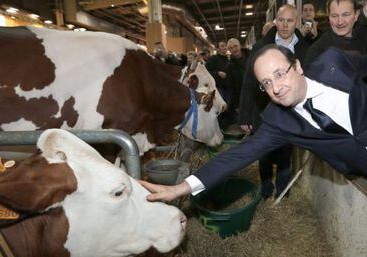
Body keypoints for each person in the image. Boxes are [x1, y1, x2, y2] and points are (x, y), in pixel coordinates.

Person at [140, 44, 367, 202]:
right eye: (266, 83)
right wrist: (181, 188)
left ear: (297, 67)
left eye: (279, 74)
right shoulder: (279, 121)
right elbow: (235, 157)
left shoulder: (334, 61)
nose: (276, 88)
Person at [238, 4, 308, 198]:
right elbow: (249, 82)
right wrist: (245, 115)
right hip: (264, 108)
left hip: (292, 112)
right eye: (281, 20)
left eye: (290, 21)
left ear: (297, 22)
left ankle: (282, 192)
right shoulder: (261, 47)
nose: (285, 25)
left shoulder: (304, 48)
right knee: (264, 153)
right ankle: (266, 189)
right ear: (275, 21)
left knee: (286, 153)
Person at [304, 0, 367, 67]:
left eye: (346, 15)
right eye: (334, 16)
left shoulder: (363, 36)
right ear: (329, 16)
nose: (340, 22)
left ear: (356, 15)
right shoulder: (317, 50)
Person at [225, 38, 250, 125]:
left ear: (240, 45)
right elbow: (231, 88)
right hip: (242, 99)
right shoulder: (229, 67)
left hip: (257, 96)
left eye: (235, 46)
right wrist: (236, 105)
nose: (234, 49)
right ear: (229, 50)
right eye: (231, 48)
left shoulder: (252, 56)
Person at [205, 41, 230, 127]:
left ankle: (223, 127)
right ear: (218, 49)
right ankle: (216, 127)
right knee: (218, 109)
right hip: (218, 89)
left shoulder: (227, 58)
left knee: (226, 109)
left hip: (227, 88)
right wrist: (217, 73)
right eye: (222, 46)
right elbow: (206, 71)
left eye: (225, 46)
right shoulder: (214, 58)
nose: (224, 48)